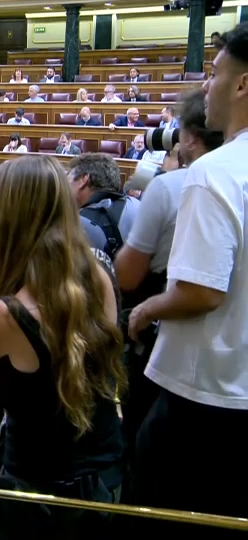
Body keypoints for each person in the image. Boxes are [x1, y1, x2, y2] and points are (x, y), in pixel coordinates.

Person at [0, 155, 125, 538]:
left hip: (39, 496)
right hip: (104, 480)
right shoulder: (98, 273)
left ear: (6, 219)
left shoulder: (10, 316)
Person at [126, 23, 248, 538]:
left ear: (242, 84)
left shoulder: (215, 172)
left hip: (206, 400)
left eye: (214, 73)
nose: (205, 85)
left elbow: (201, 291)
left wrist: (145, 309)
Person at [113, 88, 225, 492]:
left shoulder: (171, 186)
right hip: (232, 361)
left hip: (167, 336)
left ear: (190, 138)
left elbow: (127, 276)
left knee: (149, 453)